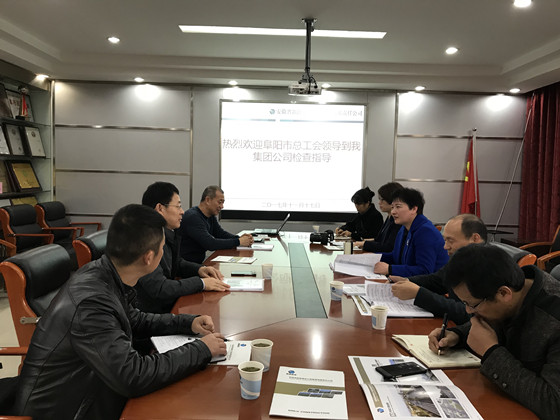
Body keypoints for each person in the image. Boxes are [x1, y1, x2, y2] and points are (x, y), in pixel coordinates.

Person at [13, 204, 227, 419]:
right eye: (162, 248)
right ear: (148, 257)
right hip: (68, 410)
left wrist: (187, 323)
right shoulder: (91, 303)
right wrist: (201, 349)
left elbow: (135, 319)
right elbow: (133, 376)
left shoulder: (105, 272)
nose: (164, 254)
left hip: (95, 388)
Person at [428, 244, 560, 420]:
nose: (468, 311)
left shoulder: (554, 320)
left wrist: (491, 351)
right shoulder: (512, 290)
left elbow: (554, 404)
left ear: (504, 293)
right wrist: (457, 335)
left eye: (472, 304)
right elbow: (492, 319)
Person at [136, 182, 229, 313]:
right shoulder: (144, 240)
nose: (182, 212)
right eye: (178, 206)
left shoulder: (163, 232)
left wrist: (200, 269)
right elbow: (160, 288)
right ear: (160, 208)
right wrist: (201, 283)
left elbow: (176, 263)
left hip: (162, 309)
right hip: (150, 314)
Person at [389, 214, 487, 324]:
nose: (445, 246)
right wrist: (407, 281)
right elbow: (437, 280)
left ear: (475, 239)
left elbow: (469, 314)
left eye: (451, 240)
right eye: (445, 240)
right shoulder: (461, 259)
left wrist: (419, 294)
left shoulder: (489, 267)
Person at [374, 187, 448, 277]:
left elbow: (425, 270)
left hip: (431, 284)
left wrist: (390, 269)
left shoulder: (426, 232)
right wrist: (372, 257)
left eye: (398, 207)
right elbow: (396, 256)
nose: (393, 212)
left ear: (414, 209)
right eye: (392, 207)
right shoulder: (404, 228)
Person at [179, 185, 253, 264]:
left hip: (197, 263)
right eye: (219, 202)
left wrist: (241, 238)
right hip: (185, 265)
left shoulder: (210, 216)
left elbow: (220, 234)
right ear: (208, 200)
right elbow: (210, 244)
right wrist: (238, 241)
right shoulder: (193, 217)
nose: (222, 206)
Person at [354, 182, 403, 253]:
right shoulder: (389, 218)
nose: (379, 202)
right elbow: (379, 239)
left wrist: (364, 244)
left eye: (382, 199)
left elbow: (388, 247)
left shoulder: (396, 222)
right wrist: (362, 242)